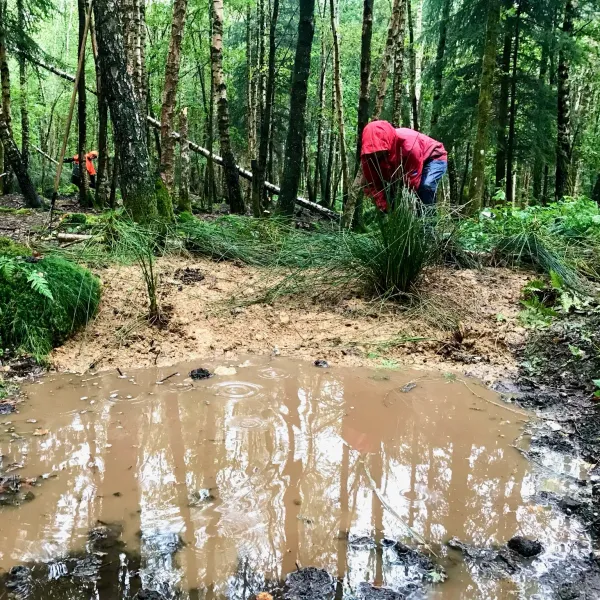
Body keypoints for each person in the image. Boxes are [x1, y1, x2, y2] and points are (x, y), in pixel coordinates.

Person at [361, 120, 447, 212]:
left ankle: (427, 223)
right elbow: (372, 184)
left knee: (425, 187)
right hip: (403, 167)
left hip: (432, 157)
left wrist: (408, 203)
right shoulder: (369, 156)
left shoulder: (408, 145)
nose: (377, 154)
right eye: (374, 152)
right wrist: (384, 206)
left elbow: (412, 181)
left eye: (380, 150)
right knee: (392, 196)